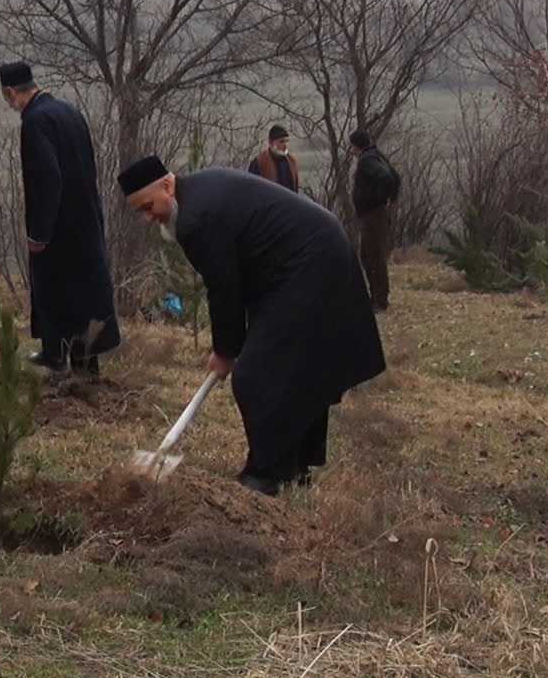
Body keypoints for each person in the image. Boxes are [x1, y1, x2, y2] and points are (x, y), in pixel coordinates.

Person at [118, 156, 385, 495]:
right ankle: (293, 467)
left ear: (167, 187)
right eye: (139, 211)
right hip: (298, 264)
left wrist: (226, 351)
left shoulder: (196, 218)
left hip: (311, 263)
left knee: (256, 375)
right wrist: (232, 344)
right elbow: (235, 279)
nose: (146, 217)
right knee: (296, 370)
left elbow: (224, 288)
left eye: (148, 206)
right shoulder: (197, 196)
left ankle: (265, 475)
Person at [0, 61, 120, 373]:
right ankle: (84, 363)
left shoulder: (35, 122)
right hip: (86, 220)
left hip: (58, 226)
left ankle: (56, 356)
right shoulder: (70, 112)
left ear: (11, 92)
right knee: (84, 295)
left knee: (55, 293)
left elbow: (47, 178)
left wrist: (39, 233)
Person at [349, 129, 401, 311]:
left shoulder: (367, 161)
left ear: (356, 146)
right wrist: (391, 199)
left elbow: (386, 177)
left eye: (352, 147)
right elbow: (395, 177)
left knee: (373, 257)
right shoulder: (377, 155)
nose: (352, 151)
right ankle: (377, 297)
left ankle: (379, 300)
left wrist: (378, 198)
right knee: (369, 256)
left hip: (373, 215)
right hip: (376, 213)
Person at [247, 123, 302, 194]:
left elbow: (295, 191)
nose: (285, 145)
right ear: (271, 142)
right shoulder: (259, 162)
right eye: (281, 141)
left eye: (286, 141)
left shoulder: (292, 162)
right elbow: (252, 190)